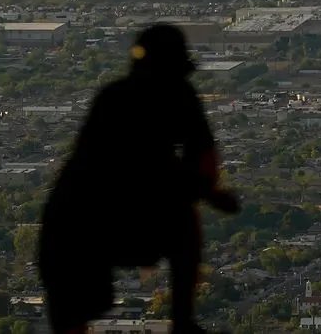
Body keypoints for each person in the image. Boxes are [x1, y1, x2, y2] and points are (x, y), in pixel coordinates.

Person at [39, 24, 239, 334]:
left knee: (182, 225)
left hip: (77, 222)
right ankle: (182, 320)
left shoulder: (118, 96)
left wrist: (202, 188)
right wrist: (209, 192)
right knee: (184, 226)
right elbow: (153, 165)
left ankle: (182, 321)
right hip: (87, 217)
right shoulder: (171, 97)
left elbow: (191, 161)